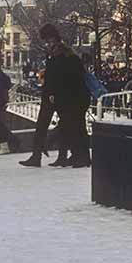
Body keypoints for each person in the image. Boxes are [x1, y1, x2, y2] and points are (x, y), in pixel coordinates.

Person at [36, 23, 91, 168]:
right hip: (76, 97)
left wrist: (53, 92)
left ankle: (80, 158)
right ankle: (79, 156)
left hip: (72, 98)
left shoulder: (60, 57)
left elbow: (60, 77)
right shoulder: (68, 56)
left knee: (74, 127)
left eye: (48, 41)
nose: (48, 45)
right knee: (76, 127)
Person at [19, 67, 57, 167]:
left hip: (50, 97)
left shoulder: (53, 63)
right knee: (65, 124)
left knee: (41, 127)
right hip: (54, 95)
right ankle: (61, 153)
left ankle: (38, 154)